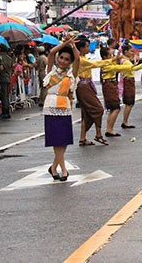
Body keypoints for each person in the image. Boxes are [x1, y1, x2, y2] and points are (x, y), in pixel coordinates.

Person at [44, 35, 80, 181]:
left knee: (63, 141)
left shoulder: (72, 74)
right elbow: (52, 53)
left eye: (66, 59)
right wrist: (64, 43)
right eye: (62, 58)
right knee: (56, 140)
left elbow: (78, 59)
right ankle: (64, 169)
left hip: (65, 106)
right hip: (51, 106)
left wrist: (73, 46)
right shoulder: (51, 71)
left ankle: (54, 167)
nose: (63, 61)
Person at [76, 38, 116, 146]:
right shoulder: (81, 59)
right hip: (84, 86)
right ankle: (98, 135)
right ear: (81, 48)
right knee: (98, 109)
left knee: (86, 113)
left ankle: (83, 138)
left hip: (87, 85)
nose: (89, 48)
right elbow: (95, 64)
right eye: (87, 46)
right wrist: (110, 60)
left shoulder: (84, 57)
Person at [119, 44, 142, 129]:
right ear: (126, 52)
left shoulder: (125, 60)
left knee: (129, 103)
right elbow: (133, 69)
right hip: (128, 81)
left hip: (129, 81)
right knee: (129, 103)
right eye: (131, 51)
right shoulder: (125, 61)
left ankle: (125, 121)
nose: (132, 53)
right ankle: (125, 121)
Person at [99, 46, 122, 138]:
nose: (112, 57)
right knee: (116, 108)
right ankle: (109, 129)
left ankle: (109, 128)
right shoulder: (106, 64)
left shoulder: (108, 63)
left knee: (113, 109)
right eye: (110, 55)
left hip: (111, 84)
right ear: (105, 57)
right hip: (109, 85)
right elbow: (118, 68)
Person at [0, 45, 13, 119]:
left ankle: (5, 111)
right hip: (8, 77)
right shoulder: (9, 58)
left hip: (2, 78)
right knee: (6, 95)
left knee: (3, 96)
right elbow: (11, 67)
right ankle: (7, 111)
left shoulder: (0, 57)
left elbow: (1, 68)